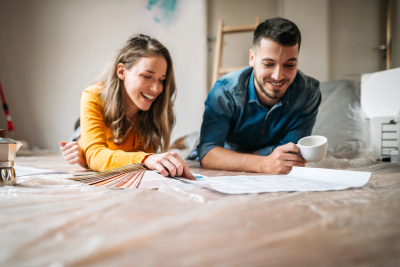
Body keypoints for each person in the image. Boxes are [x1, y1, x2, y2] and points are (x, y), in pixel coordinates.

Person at [197, 17, 321, 174]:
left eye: (289, 65)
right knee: (195, 141)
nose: (278, 76)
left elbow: (289, 155)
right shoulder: (225, 91)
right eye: (268, 64)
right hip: (229, 144)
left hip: (232, 151)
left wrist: (230, 157)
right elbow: (208, 153)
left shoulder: (309, 93)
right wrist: (264, 163)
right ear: (252, 58)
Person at [60, 34, 194, 179]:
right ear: (121, 72)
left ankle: (83, 142)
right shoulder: (93, 95)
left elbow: (132, 158)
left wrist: (88, 157)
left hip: (112, 142)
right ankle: (79, 138)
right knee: (79, 140)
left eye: (161, 80)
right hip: (96, 124)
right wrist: (89, 155)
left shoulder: (154, 110)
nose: (156, 89)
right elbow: (98, 155)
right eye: (147, 76)